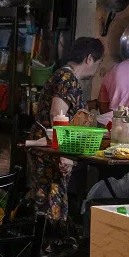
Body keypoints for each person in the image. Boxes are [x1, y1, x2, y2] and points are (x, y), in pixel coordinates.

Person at [27, 37, 105, 242]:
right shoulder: (68, 78)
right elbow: (57, 114)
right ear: (89, 58)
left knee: (46, 201)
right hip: (51, 151)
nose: (97, 68)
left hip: (47, 147)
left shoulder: (62, 75)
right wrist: (64, 155)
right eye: (98, 63)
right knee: (50, 205)